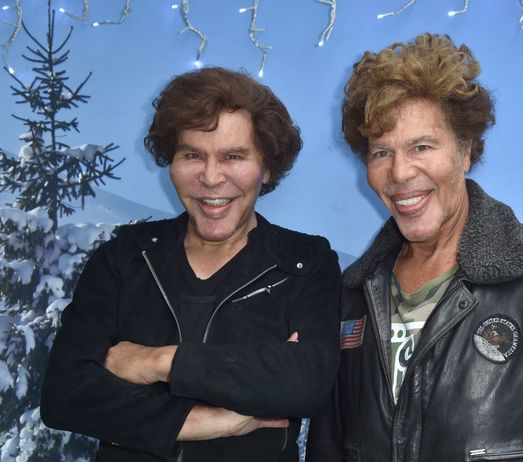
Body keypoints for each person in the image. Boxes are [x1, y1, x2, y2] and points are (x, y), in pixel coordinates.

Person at [307, 34, 523, 461]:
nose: (400, 172)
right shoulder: (355, 294)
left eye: (421, 147)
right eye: (381, 153)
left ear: (465, 151)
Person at [41, 67, 341, 462]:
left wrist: (157, 361)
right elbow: (65, 394)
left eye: (233, 156)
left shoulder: (305, 263)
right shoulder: (124, 257)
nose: (211, 177)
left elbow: (306, 382)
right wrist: (203, 421)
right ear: (171, 161)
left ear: (266, 168)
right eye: (192, 155)